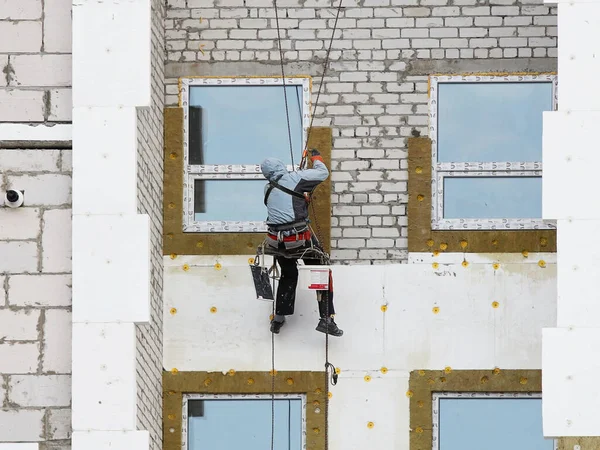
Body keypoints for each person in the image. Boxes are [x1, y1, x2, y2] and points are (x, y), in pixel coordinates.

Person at [261, 149, 343, 337]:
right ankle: (326, 319)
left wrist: (300, 198)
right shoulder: (294, 178)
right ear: (280, 166)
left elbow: (283, 207)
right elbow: (322, 173)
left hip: (277, 243)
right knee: (321, 271)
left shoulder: (268, 188)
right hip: (298, 239)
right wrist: (316, 158)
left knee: (288, 274)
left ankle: (279, 318)